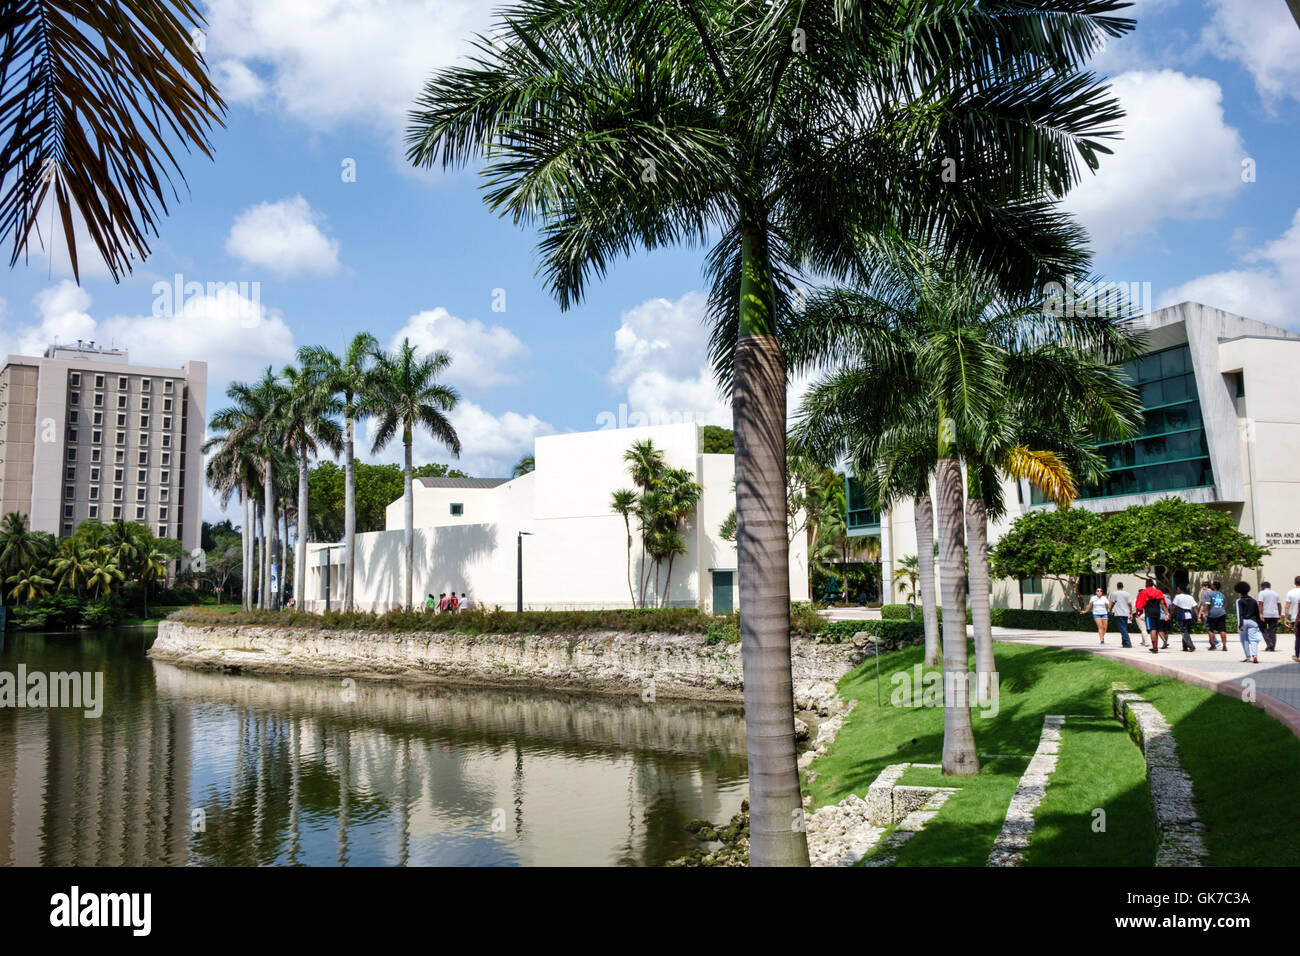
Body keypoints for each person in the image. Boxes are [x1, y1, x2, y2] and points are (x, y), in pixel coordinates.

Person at [1135, 579, 1169, 655]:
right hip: (1157, 612)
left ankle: (1154, 647)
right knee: (1156, 629)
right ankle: (1156, 646)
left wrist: (1138, 612)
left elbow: (1139, 603)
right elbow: (1163, 603)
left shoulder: (1143, 592)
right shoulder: (1158, 592)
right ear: (1153, 584)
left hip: (1149, 613)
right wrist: (1166, 613)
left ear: (1146, 584)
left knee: (1152, 629)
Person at [1234, 580, 1262, 664]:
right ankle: (1255, 655)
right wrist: (1259, 624)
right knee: (1253, 640)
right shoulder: (1254, 601)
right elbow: (1257, 614)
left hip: (1244, 622)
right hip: (1253, 622)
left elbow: (1240, 614)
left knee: (1244, 640)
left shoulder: (1239, 601)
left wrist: (1240, 625)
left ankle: (1248, 657)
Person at [1202, 581, 1229, 651]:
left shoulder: (1209, 594)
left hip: (1212, 613)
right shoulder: (1222, 595)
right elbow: (1224, 604)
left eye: (1212, 585)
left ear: (1214, 586)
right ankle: (1224, 646)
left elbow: (1207, 604)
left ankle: (1213, 645)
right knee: (1222, 630)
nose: (1211, 585)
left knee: (1210, 629)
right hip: (1222, 613)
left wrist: (1204, 613)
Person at [1171, 584, 1198, 652]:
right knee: (1187, 631)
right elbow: (1194, 607)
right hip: (1189, 615)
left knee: (1184, 631)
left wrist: (1170, 614)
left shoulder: (1178, 597)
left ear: (1180, 589)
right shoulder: (1190, 597)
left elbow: (1173, 607)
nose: (1177, 590)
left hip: (1182, 615)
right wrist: (1198, 616)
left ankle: (1191, 646)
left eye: (1178, 589)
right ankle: (1185, 646)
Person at [1108, 581, 1134, 648]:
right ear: (1122, 587)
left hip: (1119, 613)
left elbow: (1112, 603)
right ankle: (1124, 643)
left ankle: (1128, 643)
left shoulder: (1115, 593)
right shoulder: (1127, 594)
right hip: (1126, 613)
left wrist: (1110, 610)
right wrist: (1131, 613)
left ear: (1117, 586)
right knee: (1124, 628)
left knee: (1122, 629)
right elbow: (1129, 604)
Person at [1258, 581, 1282, 652]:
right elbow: (1279, 605)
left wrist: (1260, 614)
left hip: (1265, 614)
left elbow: (1260, 604)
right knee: (1273, 631)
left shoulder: (1261, 593)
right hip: (1275, 614)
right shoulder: (1276, 593)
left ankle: (1269, 643)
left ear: (1263, 587)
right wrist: (1279, 615)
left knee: (1263, 629)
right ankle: (1272, 647)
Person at [1285, 575, 1300, 663]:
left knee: (1298, 637)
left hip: (1296, 618)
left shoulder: (1290, 592)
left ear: (1294, 582)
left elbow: (1287, 607)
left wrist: (1286, 618)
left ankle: (1297, 655)